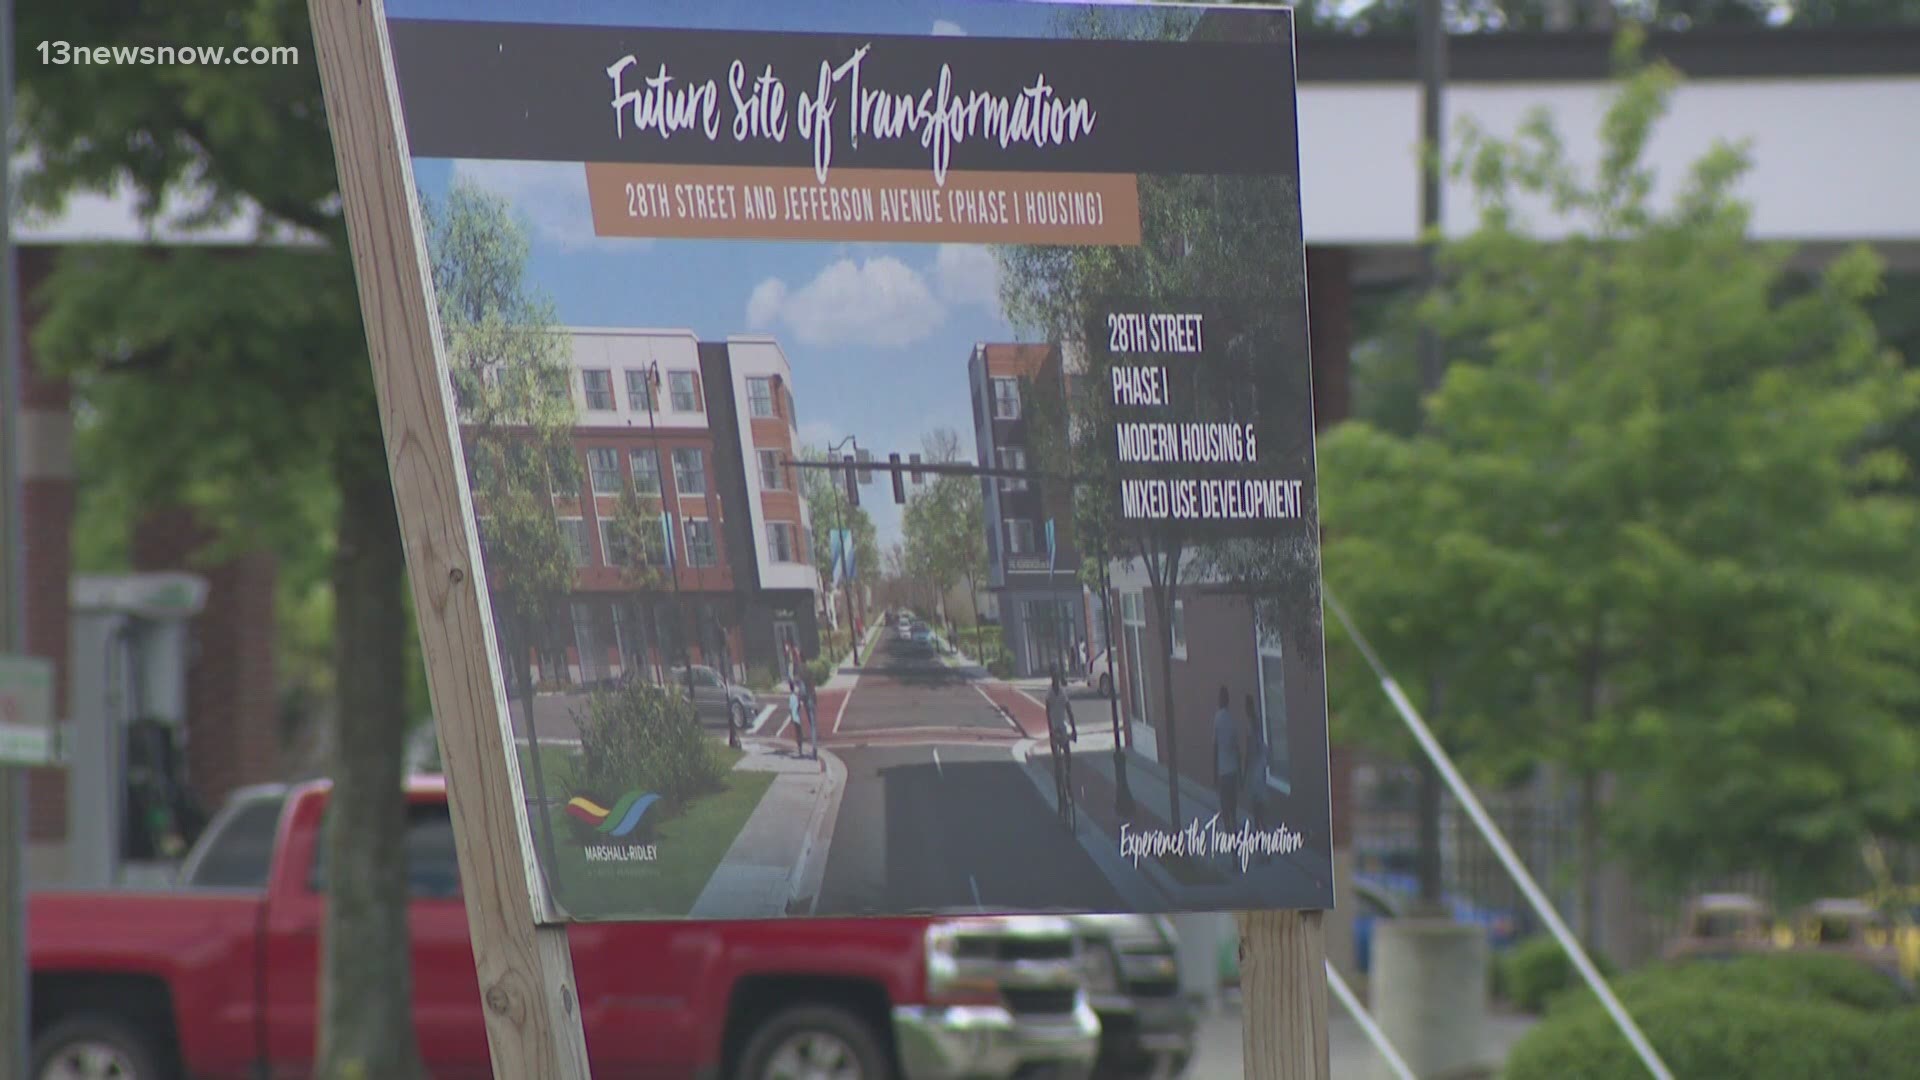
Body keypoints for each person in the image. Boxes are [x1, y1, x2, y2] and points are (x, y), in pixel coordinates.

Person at [1046, 664, 1078, 824]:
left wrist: (1074, 729)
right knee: (1057, 762)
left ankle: (1068, 776)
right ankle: (1060, 796)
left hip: (1063, 729)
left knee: (1067, 754)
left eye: (1058, 676)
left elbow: (1070, 711)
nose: (1056, 679)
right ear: (1052, 677)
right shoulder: (1049, 695)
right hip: (1054, 730)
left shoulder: (1063, 693)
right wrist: (1051, 732)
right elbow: (1047, 714)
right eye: (1054, 676)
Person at [1212, 685, 1240, 828]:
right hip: (1233, 769)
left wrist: (1214, 771)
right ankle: (1234, 829)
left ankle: (1229, 832)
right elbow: (1237, 749)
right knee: (1233, 804)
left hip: (1223, 770)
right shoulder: (1232, 719)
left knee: (1225, 805)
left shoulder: (1217, 719)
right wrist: (1240, 772)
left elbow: (1215, 747)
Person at [1242, 693, 1268, 830]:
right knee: (1259, 801)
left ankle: (1260, 829)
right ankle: (1261, 827)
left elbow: (1249, 749)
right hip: (1260, 764)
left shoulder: (1250, 726)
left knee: (1255, 801)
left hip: (1255, 766)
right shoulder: (1257, 723)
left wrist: (1245, 771)